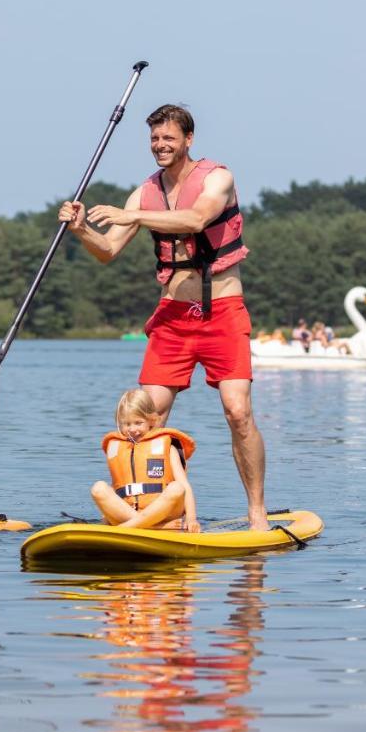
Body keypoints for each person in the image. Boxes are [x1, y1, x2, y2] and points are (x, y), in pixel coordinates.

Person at [59, 103, 270, 530]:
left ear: (188, 139)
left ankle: (257, 511)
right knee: (145, 417)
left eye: (169, 138)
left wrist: (132, 215)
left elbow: (195, 219)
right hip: (173, 317)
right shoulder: (145, 192)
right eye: (155, 139)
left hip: (222, 312)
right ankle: (153, 514)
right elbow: (108, 251)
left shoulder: (217, 178)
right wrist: (81, 229)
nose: (160, 145)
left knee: (237, 410)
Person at [90, 389, 199, 531]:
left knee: (177, 488)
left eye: (138, 423)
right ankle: (154, 527)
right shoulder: (117, 447)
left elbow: (185, 486)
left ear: (151, 421)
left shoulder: (167, 446)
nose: (133, 429)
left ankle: (125, 528)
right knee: (98, 488)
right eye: (127, 424)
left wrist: (191, 519)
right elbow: (119, 487)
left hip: (165, 513)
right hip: (129, 513)